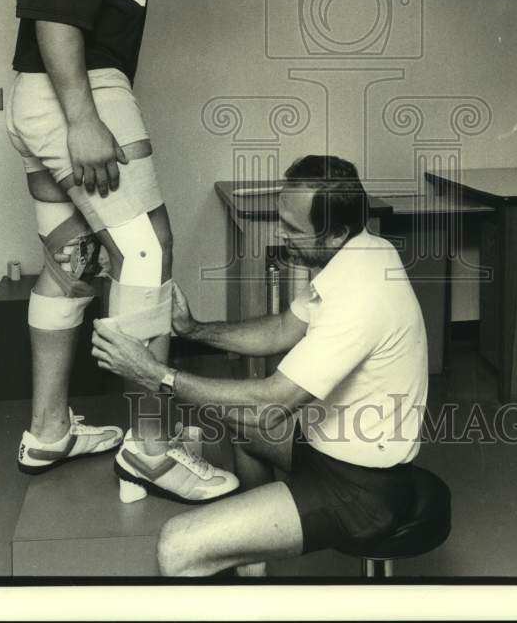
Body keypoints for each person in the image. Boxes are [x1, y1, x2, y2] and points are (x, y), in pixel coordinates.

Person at [5, 0, 239, 502]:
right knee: (145, 250)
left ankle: (48, 432)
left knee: (73, 263)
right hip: (75, 90)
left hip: (39, 94)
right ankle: (152, 447)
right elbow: (54, 5)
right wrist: (83, 117)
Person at [91, 155, 429, 575]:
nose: (281, 235)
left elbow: (272, 402)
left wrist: (155, 374)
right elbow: (283, 329)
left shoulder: (363, 295)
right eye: (281, 220)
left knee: (176, 548)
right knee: (235, 420)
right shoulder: (358, 252)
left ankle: (251, 549)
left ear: (337, 231)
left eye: (293, 229)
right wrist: (192, 329)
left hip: (361, 488)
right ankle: (256, 561)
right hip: (324, 446)